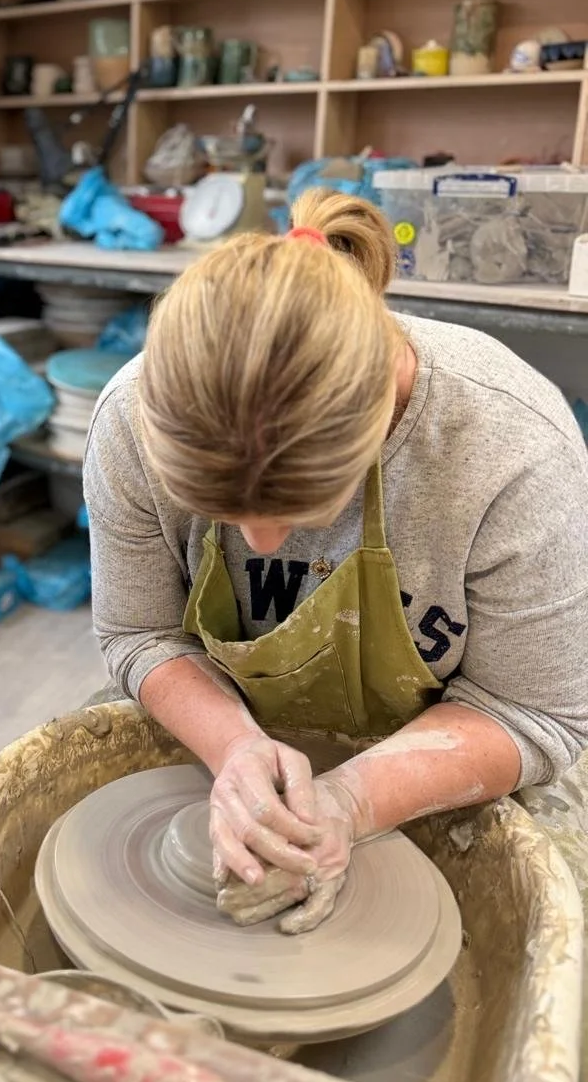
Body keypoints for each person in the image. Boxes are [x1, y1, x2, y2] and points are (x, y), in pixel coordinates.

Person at [84, 188, 588, 934]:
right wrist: (234, 748)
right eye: (227, 515)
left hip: (445, 738)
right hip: (228, 711)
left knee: (549, 934)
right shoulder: (132, 418)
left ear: (383, 411)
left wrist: (352, 799)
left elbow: (538, 714)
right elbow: (137, 634)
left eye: (297, 513)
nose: (258, 543)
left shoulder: (513, 453)